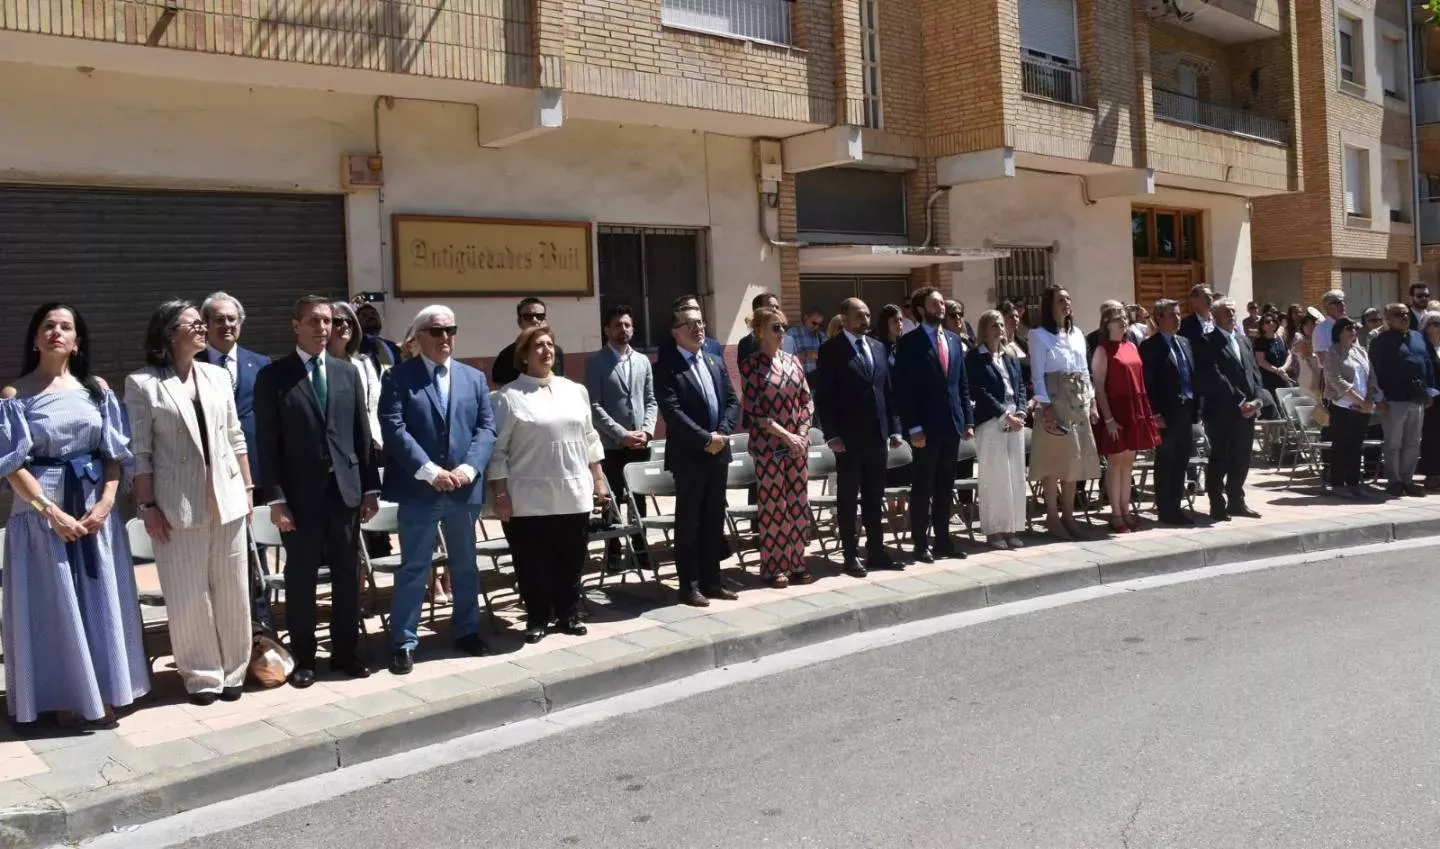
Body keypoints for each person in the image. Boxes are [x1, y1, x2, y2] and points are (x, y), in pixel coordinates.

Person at [2, 303, 148, 726]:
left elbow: (115, 454)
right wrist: (50, 512)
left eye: (65, 327)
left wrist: (106, 503)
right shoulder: (15, 394)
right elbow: (11, 464)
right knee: (53, 602)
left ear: (77, 341)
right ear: (35, 338)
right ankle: (63, 696)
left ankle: (103, 690)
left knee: (98, 599)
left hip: (93, 509)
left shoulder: (96, 390)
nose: (56, 332)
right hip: (40, 511)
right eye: (48, 326)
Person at [126, 300, 254, 704]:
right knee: (187, 593)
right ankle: (202, 676)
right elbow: (140, 453)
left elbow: (236, 437)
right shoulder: (143, 383)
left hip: (227, 497)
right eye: (194, 324)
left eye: (203, 323)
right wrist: (147, 507)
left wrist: (248, 491)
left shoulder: (216, 376)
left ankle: (235, 671)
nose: (203, 329)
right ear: (168, 333)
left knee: (233, 586)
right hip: (176, 503)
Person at [253, 296, 380, 687]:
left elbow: (361, 434)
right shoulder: (274, 376)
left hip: (344, 493)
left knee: (346, 576)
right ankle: (304, 659)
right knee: (301, 579)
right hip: (299, 499)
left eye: (327, 321)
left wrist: (370, 489)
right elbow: (267, 444)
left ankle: (345, 653)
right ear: (295, 325)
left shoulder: (347, 373)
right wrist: (276, 499)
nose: (322, 328)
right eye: (313, 321)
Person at [378, 305, 496, 673]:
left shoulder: (473, 378)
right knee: (415, 567)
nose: (446, 338)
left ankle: (466, 630)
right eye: (437, 331)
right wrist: (429, 472)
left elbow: (486, 428)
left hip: (462, 490)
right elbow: (394, 428)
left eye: (450, 330)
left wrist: (467, 468)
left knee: (465, 566)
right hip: (421, 490)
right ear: (418, 337)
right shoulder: (398, 377)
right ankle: (404, 641)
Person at [491, 325, 607, 643]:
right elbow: (497, 451)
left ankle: (569, 613)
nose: (546, 350)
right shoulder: (508, 397)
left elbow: (590, 439)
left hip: (573, 491)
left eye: (550, 344)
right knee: (533, 562)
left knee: (570, 558)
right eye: (538, 346)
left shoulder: (574, 390)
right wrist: (500, 494)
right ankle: (539, 616)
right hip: (528, 497)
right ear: (525, 355)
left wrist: (598, 480)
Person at [656, 304, 740, 606]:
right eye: (690, 323)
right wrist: (706, 438)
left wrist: (722, 434)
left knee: (713, 519)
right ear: (675, 332)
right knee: (689, 522)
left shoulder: (715, 361)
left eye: (701, 322)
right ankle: (689, 585)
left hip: (718, 453)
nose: (698, 328)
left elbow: (732, 401)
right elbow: (672, 412)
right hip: (691, 454)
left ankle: (712, 581)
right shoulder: (667, 366)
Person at [816, 298, 901, 575]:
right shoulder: (831, 350)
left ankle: (876, 550)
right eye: (859, 316)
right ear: (844, 317)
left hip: (877, 436)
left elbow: (888, 392)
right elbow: (825, 397)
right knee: (848, 499)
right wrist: (832, 435)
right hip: (849, 440)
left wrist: (895, 428)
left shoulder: (877, 347)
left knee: (874, 496)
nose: (865, 320)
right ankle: (851, 554)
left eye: (867, 315)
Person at [893, 286, 974, 562]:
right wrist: (913, 427)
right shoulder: (910, 342)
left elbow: (961, 384)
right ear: (920, 310)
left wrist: (967, 420)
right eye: (935, 303)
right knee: (923, 486)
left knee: (944, 486)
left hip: (951, 424)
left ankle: (943, 540)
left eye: (942, 303)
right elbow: (904, 389)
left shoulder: (953, 340)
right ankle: (920, 543)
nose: (941, 307)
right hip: (924, 428)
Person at [740, 306, 815, 587]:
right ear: (759, 332)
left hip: (797, 445)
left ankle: (797, 562)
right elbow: (755, 412)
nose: (782, 332)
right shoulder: (751, 365)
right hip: (770, 444)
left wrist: (803, 433)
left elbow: (806, 400)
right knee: (774, 507)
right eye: (775, 327)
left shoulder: (793, 362)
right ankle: (773, 567)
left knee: (797, 504)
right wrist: (787, 436)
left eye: (783, 326)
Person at [584, 305, 657, 573]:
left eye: (627, 325)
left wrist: (647, 431)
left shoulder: (642, 361)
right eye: (617, 325)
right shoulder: (596, 363)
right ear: (607, 330)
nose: (623, 329)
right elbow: (594, 406)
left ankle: (639, 549)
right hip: (612, 446)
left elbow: (651, 400)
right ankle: (613, 550)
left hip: (639, 443)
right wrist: (621, 434)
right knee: (612, 500)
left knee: (638, 499)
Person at [1028, 285, 1101, 540]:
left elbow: (1085, 370)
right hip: (1054, 399)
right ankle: (1051, 515)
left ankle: (1068, 514)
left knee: (1075, 459)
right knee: (1053, 461)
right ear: (1049, 305)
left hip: (1078, 399)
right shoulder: (1038, 335)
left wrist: (1092, 402)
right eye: (1060, 300)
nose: (1066, 303)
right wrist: (1045, 407)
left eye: (1068, 299)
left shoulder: (1077, 334)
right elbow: (1037, 375)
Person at [331, 300, 395, 565]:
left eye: (348, 321)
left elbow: (373, 405)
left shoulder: (364, 363)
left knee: (371, 518)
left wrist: (377, 440)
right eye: (337, 321)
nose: (344, 326)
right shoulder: (316, 365)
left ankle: (369, 577)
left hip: (367, 447)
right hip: (333, 453)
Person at [1194, 298, 1266, 519]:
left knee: (1241, 458)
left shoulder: (1243, 340)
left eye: (1234, 311)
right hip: (1222, 411)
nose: (1232, 315)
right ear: (1215, 316)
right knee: (1220, 458)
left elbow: (1254, 373)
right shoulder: (1207, 341)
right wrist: (1240, 401)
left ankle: (1237, 500)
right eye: (1227, 312)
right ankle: (1217, 503)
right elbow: (1216, 377)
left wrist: (1257, 400)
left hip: (1247, 411)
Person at [1091, 305, 1160, 533]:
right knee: (1115, 462)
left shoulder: (1131, 345)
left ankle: (1126, 510)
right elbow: (1099, 388)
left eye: (1123, 317)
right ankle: (1116, 513)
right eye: (1116, 318)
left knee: (1128, 463)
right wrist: (1108, 419)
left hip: (1135, 409)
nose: (1121, 321)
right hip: (1115, 410)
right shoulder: (1102, 350)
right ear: (1106, 323)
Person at [966, 309, 1028, 549]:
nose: (1000, 330)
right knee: (996, 477)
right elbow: (980, 391)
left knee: (1014, 476)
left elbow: (1020, 386)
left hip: (1015, 419)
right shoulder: (975, 358)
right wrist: (1004, 415)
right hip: (992, 421)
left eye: (1002, 325)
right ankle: (994, 531)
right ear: (984, 329)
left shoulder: (1010, 356)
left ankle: (1011, 528)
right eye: (994, 325)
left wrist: (1021, 411)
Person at [199, 292, 270, 485]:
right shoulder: (191, 364)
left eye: (232, 319)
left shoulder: (261, 364)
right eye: (219, 320)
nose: (227, 325)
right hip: (209, 466)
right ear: (205, 324)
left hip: (254, 463)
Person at [1140, 299, 1199, 525]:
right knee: (1166, 461)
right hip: (1165, 414)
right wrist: (1154, 413)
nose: (1177, 319)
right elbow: (1148, 383)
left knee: (1182, 460)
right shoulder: (1150, 347)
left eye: (1178, 314)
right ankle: (1166, 509)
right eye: (1172, 315)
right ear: (1159, 318)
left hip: (1185, 410)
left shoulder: (1184, 343)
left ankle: (1176, 505)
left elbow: (1191, 375)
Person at [1369, 303, 1438, 496]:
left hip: (1417, 398)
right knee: (1393, 442)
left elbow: (1429, 363)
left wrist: (1430, 392)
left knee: (1413, 442)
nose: (1404, 317)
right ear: (1388, 319)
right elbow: (1373, 371)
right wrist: (1379, 397)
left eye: (1406, 314)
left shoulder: (1419, 337)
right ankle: (1394, 480)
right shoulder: (1380, 341)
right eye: (1398, 314)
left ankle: (1407, 479)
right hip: (1392, 399)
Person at [1323, 317, 1380, 499]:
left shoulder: (1360, 350)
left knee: (1356, 446)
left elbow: (1371, 376)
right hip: (1343, 405)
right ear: (1339, 332)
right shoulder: (1333, 352)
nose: (1353, 331)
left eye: (1354, 328)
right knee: (1341, 445)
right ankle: (1338, 483)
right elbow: (1336, 380)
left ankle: (1354, 483)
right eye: (1349, 328)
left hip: (1362, 406)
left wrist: (1369, 399)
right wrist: (1358, 400)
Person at [492, 298, 566, 386]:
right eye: (528, 317)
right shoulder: (506, 355)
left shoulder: (556, 351)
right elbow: (501, 390)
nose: (535, 320)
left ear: (545, 320)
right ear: (520, 322)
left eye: (540, 316)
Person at [1416, 313, 1440, 490]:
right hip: (1431, 399)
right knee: (1432, 436)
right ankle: (1432, 474)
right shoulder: (1422, 347)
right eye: (1436, 324)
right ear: (1426, 327)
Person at [1253, 313, 1294, 396]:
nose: (1271, 323)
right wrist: (1278, 371)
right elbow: (1261, 361)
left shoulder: (1280, 338)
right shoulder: (1259, 341)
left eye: (1273, 321)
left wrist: (1283, 368)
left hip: (1283, 377)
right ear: (1262, 325)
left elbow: (1289, 355)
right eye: (1267, 322)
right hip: (1268, 381)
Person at [354, 301, 402, 371]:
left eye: (374, 314)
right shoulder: (356, 347)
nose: (371, 317)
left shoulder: (393, 346)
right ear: (357, 323)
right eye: (364, 315)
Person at [737, 292, 780, 364]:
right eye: (770, 307)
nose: (775, 310)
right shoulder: (746, 344)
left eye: (777, 307)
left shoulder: (789, 341)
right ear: (757, 311)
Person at [783, 307, 826, 376]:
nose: (816, 327)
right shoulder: (792, 333)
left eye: (819, 325)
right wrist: (806, 354)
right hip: (799, 377)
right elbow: (785, 358)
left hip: (818, 379)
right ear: (806, 318)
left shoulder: (821, 336)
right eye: (814, 323)